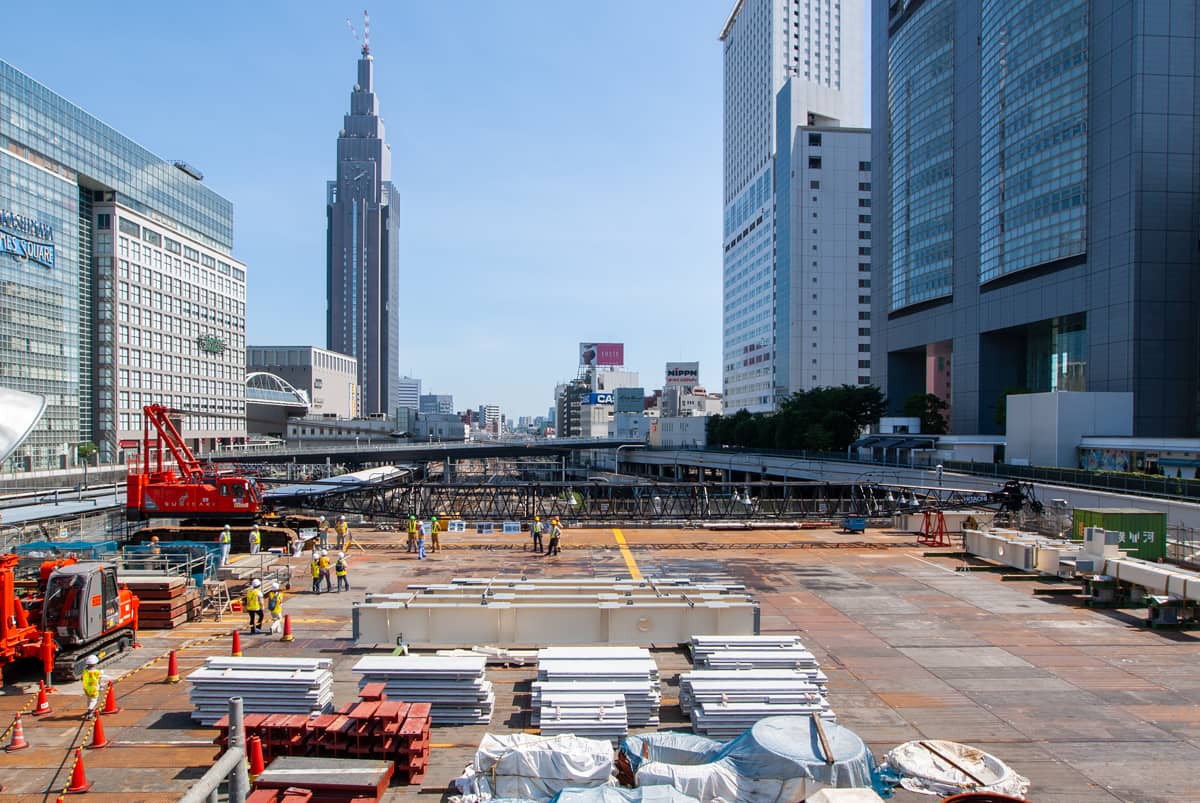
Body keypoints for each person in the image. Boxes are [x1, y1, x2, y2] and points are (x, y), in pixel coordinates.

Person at [81, 654, 104, 719]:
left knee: (89, 699)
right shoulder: (97, 672)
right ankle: (90, 711)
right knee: (94, 700)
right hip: (94, 688)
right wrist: (100, 686)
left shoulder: (85, 671)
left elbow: (82, 678)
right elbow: (99, 680)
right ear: (95, 663)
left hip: (87, 688)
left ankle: (89, 710)